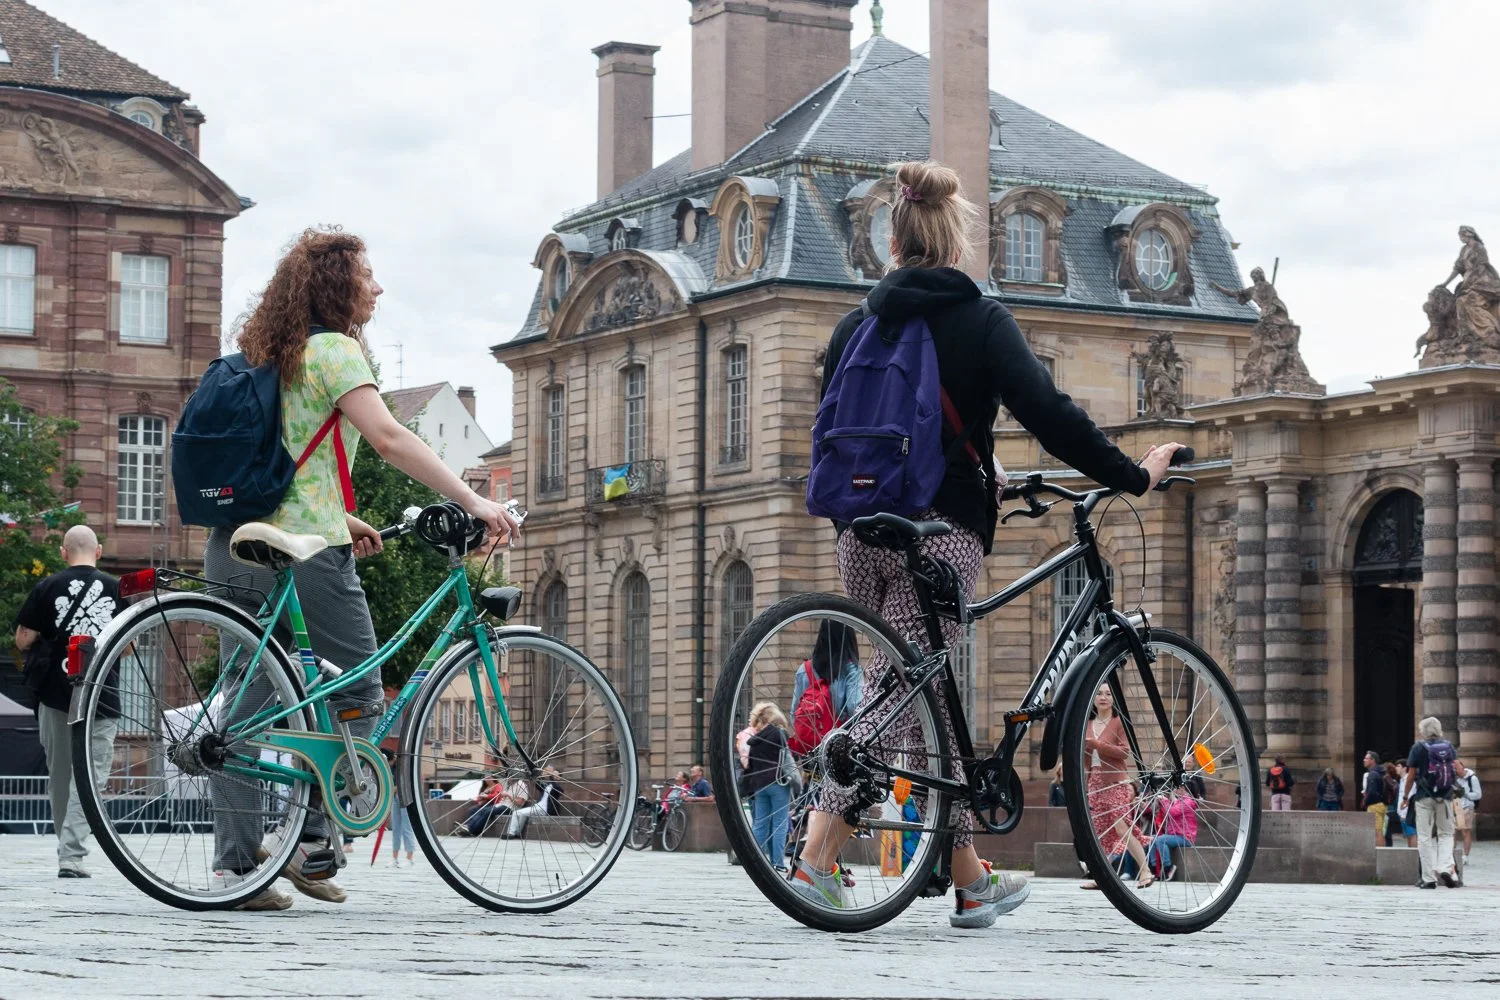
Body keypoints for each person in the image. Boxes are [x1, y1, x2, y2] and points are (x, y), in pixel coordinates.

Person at [795, 160, 1183, 930]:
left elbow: (862, 434)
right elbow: (1048, 409)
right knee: (894, 706)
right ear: (954, 236)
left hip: (860, 533)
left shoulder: (855, 323)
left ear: (896, 238)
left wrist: (979, 460)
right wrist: (1130, 475)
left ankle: (969, 878)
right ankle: (813, 858)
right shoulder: (978, 318)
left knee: (924, 701)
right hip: (937, 539)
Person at [202, 228, 517, 911]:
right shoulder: (336, 351)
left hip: (236, 532)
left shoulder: (271, 353)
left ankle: (236, 868)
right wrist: (470, 499)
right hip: (304, 543)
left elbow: (282, 456)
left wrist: (342, 513)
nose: (377, 288)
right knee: (358, 687)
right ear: (339, 288)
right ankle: (313, 841)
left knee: (245, 697)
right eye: (367, 277)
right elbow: (389, 436)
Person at [13, 524, 121, 879]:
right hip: (101, 695)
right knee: (93, 776)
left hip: (55, 694)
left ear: (63, 552)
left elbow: (23, 640)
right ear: (99, 551)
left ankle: (67, 851)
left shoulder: (46, 587)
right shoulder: (117, 588)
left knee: (60, 774)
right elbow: (130, 643)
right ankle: (71, 854)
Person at [1081, 686, 1154, 891]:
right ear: (1093, 699)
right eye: (1099, 694)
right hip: (1095, 781)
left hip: (1116, 782)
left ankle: (1145, 871)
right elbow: (1088, 760)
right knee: (1101, 832)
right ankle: (1101, 877)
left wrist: (1097, 744)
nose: (1103, 698)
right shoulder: (1087, 724)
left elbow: (1124, 753)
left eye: (1108, 694)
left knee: (1122, 826)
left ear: (1114, 699)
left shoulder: (1118, 723)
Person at [1402, 717, 1459, 889]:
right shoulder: (1449, 746)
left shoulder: (1418, 748)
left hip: (1424, 797)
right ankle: (1444, 867)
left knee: (1425, 837)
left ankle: (1428, 878)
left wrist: (1405, 797)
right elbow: (1454, 770)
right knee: (1446, 834)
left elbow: (1411, 775)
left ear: (1423, 731)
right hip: (1445, 796)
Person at [742, 702, 793, 871]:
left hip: (759, 785)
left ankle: (754, 862)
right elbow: (789, 758)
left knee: (760, 824)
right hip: (778, 783)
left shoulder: (755, 740)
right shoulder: (780, 734)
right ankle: (777, 863)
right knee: (779, 824)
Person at [791, 618, 864, 724]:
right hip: (839, 737)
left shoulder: (804, 669)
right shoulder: (851, 670)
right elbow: (855, 709)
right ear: (849, 636)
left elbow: (794, 714)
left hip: (810, 739)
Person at [1146, 786, 1198, 882]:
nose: (1173, 790)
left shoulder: (1188, 802)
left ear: (1182, 788)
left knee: (1160, 840)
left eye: (1175, 788)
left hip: (1185, 837)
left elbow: (1171, 812)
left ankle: (1168, 868)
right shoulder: (1180, 801)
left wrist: (1165, 801)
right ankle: (1154, 869)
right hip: (1175, 835)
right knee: (1152, 839)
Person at [455, 777, 528, 837]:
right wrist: (502, 795)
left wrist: (508, 795)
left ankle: (473, 830)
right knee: (483, 810)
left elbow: (519, 803)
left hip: (511, 807)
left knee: (488, 811)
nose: (508, 777)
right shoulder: (511, 784)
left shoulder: (521, 785)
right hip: (502, 804)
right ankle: (469, 827)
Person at [504, 768, 564, 840]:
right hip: (538, 807)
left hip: (545, 809)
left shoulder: (558, 787)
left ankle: (511, 833)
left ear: (560, 778)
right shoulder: (547, 785)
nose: (553, 774)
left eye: (555, 774)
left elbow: (559, 790)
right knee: (521, 814)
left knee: (517, 813)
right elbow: (538, 785)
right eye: (553, 773)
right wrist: (542, 775)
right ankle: (516, 833)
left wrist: (551, 775)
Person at [1453, 758, 1481, 859]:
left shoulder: (1472, 778)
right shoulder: (1455, 779)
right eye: (1454, 769)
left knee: (1465, 832)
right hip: (1456, 807)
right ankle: (1452, 854)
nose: (1455, 770)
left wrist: (1465, 794)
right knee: (1452, 832)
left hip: (1467, 807)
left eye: (1457, 768)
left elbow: (1478, 795)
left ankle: (1465, 855)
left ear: (1462, 767)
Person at [1359, 751, 1386, 848]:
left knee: (1377, 832)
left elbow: (1372, 792)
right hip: (1380, 804)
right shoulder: (1378, 772)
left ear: (1372, 760)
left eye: (1366, 758)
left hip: (1374, 805)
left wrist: (1365, 802)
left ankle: (1380, 855)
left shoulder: (1373, 774)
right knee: (1378, 831)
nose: (1364, 760)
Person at [1394, 762, 1417, 848]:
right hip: (1402, 812)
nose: (1396, 768)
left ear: (1404, 768)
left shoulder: (1409, 779)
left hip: (1407, 811)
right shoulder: (1401, 780)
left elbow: (1411, 794)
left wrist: (1405, 806)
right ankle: (1410, 853)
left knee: (1412, 834)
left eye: (1398, 766)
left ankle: (1414, 854)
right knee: (1408, 835)